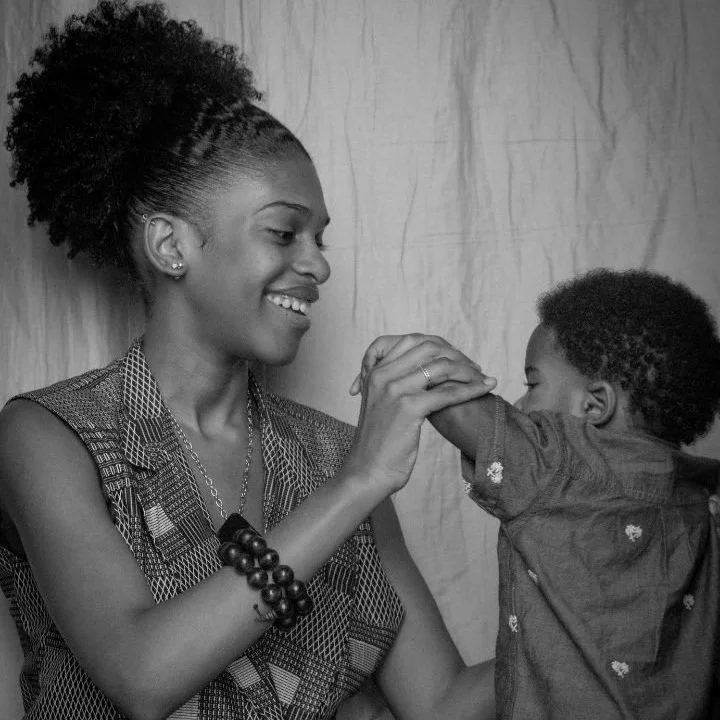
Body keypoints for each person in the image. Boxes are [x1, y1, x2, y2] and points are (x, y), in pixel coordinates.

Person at [0, 2, 497, 718]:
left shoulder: (332, 454)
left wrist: (589, 556)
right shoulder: (50, 436)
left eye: (321, 239)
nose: (319, 266)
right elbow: (143, 675)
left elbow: (444, 704)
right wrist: (359, 483)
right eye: (284, 233)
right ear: (171, 246)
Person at [353, 268, 720, 719]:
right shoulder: (699, 501)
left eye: (532, 384)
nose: (520, 405)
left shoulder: (563, 468)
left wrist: (411, 360)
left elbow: (458, 409)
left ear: (594, 405)